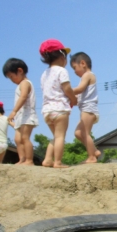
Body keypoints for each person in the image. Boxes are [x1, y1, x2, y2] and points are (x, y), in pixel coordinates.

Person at [39, 39, 77, 168]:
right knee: (60, 136)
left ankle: (48, 160)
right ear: (62, 56)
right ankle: (58, 162)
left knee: (55, 136)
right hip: (60, 109)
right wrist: (73, 99)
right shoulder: (62, 71)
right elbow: (66, 88)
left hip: (46, 111)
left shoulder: (44, 74)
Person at [2, 58, 39, 165]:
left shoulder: (25, 83)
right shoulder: (20, 85)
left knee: (24, 137)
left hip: (27, 115)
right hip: (21, 116)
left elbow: (23, 97)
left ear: (20, 71)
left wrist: (14, 111)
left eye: (11, 77)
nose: (11, 80)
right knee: (17, 139)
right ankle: (22, 159)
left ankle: (29, 160)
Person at [70, 52, 101, 164]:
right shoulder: (86, 76)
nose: (74, 71)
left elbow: (80, 89)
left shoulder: (87, 75)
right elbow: (80, 95)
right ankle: (95, 151)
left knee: (85, 133)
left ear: (82, 63)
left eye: (74, 68)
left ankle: (91, 157)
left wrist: (66, 90)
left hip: (89, 109)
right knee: (78, 133)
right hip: (86, 109)